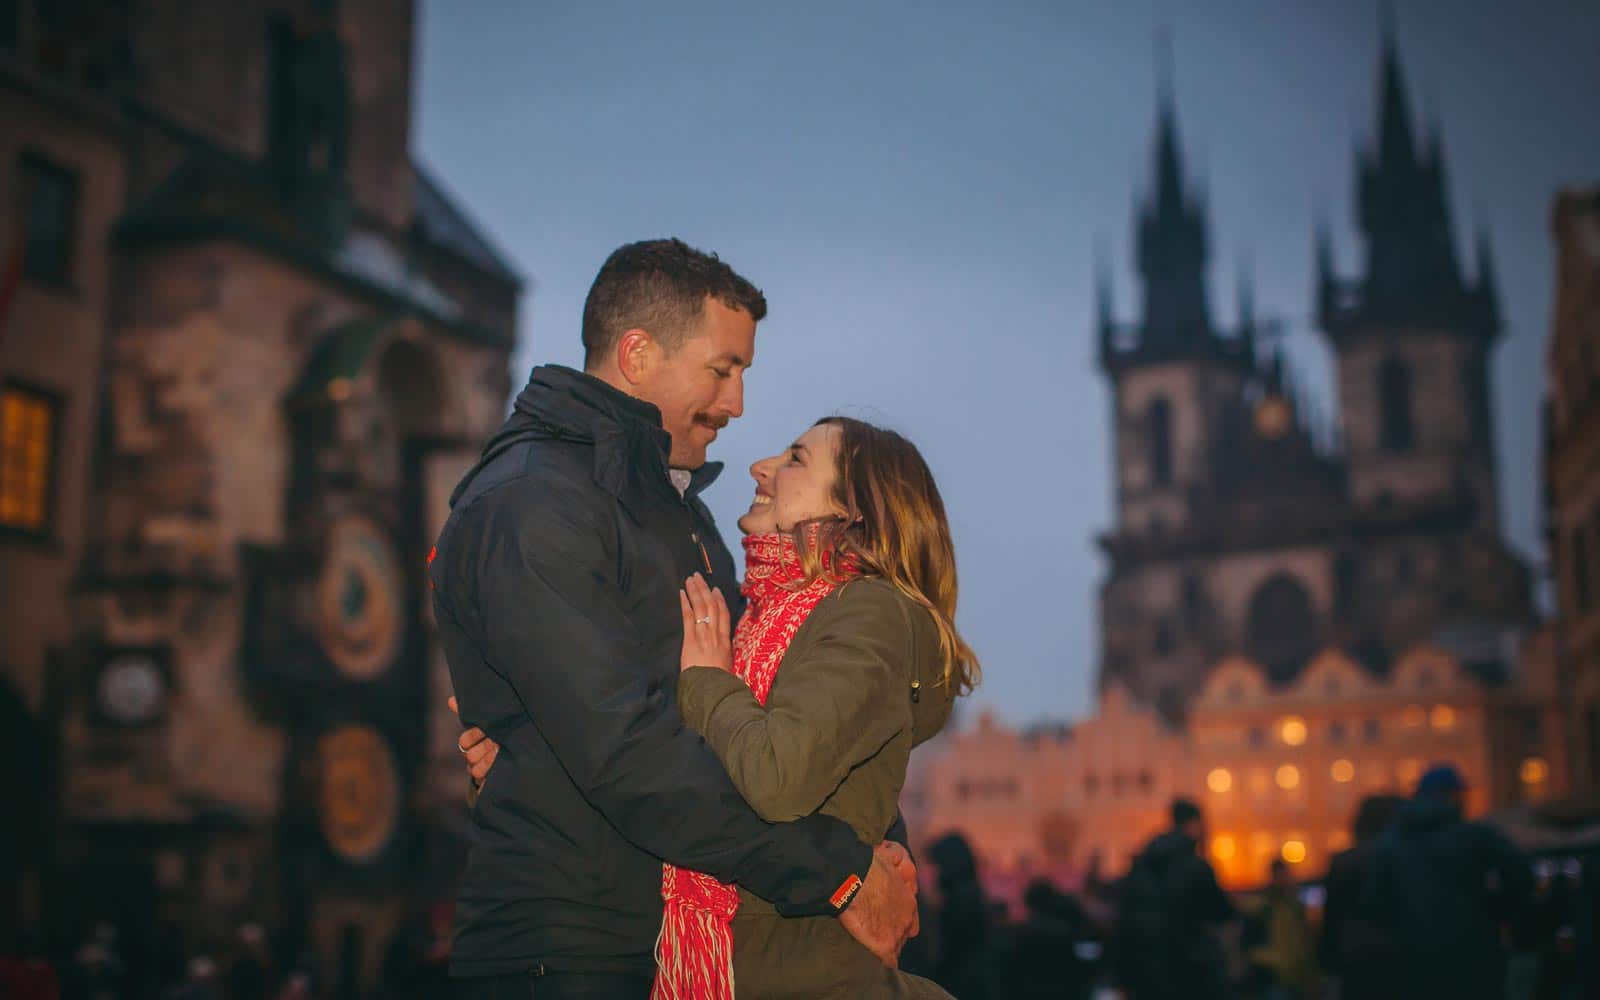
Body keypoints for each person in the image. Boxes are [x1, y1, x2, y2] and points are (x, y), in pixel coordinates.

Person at [430, 239, 917, 999]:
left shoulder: (669, 510)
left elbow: (765, 708)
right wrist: (838, 870)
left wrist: (880, 839)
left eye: (743, 374)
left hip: (668, 945)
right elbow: (627, 751)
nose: (736, 403)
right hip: (569, 954)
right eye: (721, 371)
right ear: (636, 353)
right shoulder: (533, 504)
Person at [665, 416, 978, 997]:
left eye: (796, 460)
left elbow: (777, 776)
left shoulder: (867, 613)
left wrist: (708, 681)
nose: (761, 468)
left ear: (851, 512)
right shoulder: (766, 618)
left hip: (806, 974)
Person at [1363, 764, 1534, 1000]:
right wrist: (1498, 910)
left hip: (1414, 964)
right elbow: (1520, 873)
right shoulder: (1475, 836)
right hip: (1475, 958)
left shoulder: (1389, 846)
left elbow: (1374, 905)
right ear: (1451, 796)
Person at [1114, 798, 1235, 1000]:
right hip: (1191, 973)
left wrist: (1124, 978)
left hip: (1148, 974)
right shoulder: (1196, 867)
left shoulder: (1142, 865)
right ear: (1194, 824)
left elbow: (1125, 922)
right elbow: (1221, 913)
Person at [1319, 794, 1404, 1000]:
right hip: (1397, 956)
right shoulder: (1402, 860)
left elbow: (1331, 920)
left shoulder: (1343, 862)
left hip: (1354, 955)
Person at [1242, 859, 1318, 1000]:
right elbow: (1250, 945)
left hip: (1293, 976)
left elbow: (1303, 941)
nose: (1285, 881)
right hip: (1272, 977)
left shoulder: (1295, 907)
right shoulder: (1261, 909)